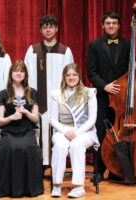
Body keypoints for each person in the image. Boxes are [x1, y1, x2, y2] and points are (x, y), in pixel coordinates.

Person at [86, 12, 136, 182]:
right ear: (102, 26)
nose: (111, 25)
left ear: (118, 26)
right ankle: (99, 171)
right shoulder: (94, 45)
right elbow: (91, 72)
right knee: (102, 134)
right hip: (103, 97)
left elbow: (133, 69)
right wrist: (104, 86)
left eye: (114, 23)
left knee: (121, 134)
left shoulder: (127, 44)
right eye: (108, 22)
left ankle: (117, 170)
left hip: (122, 99)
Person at [24, 15, 74, 166]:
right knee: (38, 132)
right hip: (38, 100)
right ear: (40, 30)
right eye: (45, 27)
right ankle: (39, 164)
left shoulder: (65, 51)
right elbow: (25, 75)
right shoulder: (32, 50)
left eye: (51, 26)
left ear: (57, 28)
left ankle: (56, 165)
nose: (48, 29)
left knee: (57, 133)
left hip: (58, 101)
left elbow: (71, 77)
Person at [0, 60, 44, 198]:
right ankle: (7, 189)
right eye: (15, 70)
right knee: (10, 148)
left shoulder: (32, 93)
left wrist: (25, 112)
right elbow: (0, 121)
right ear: (11, 74)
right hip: (9, 131)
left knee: (28, 148)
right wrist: (12, 117)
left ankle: (29, 189)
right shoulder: (2, 94)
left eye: (21, 71)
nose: (18, 73)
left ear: (25, 75)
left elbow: (35, 119)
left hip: (27, 131)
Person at [49, 63, 99, 198]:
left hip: (85, 132)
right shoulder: (56, 94)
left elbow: (92, 118)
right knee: (59, 145)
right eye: (68, 75)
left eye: (74, 75)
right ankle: (57, 184)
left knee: (76, 145)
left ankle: (79, 186)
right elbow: (53, 119)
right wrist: (65, 131)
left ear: (79, 76)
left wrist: (77, 133)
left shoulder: (89, 93)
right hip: (62, 131)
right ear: (64, 77)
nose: (71, 78)